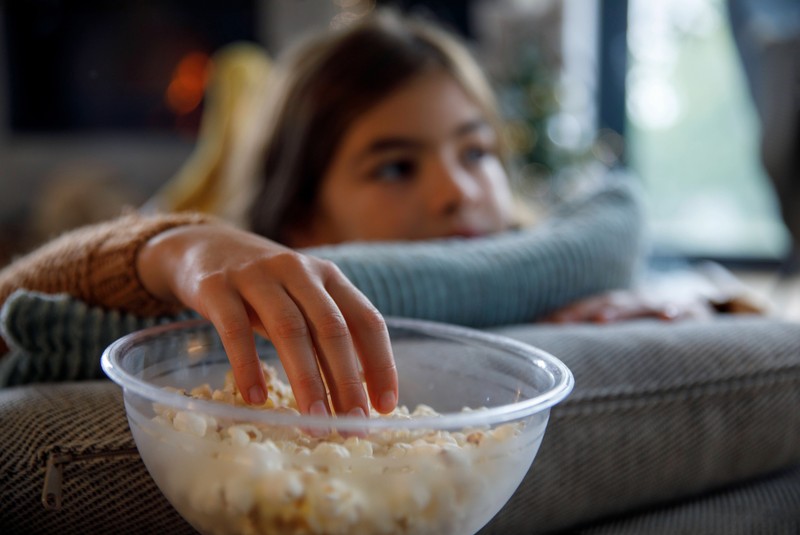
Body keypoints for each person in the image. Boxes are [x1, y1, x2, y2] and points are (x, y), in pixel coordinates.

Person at [0, 9, 702, 416]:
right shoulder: (233, 301)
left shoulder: (575, 282)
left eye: (477, 152)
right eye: (396, 166)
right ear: (301, 219)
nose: (457, 191)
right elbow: (12, 310)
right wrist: (174, 246)